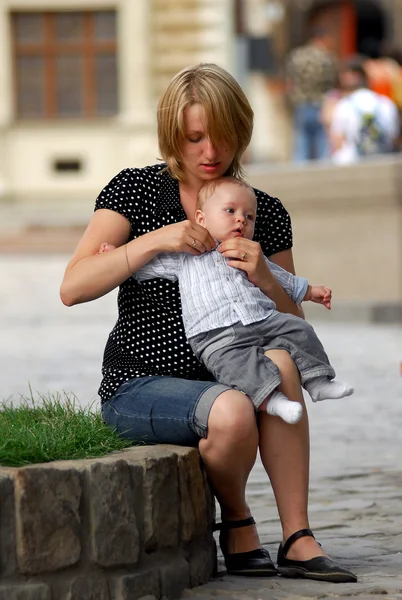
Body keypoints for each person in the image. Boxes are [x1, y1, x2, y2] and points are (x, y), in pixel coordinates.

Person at [60, 63, 357, 583]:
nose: (209, 152)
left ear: (241, 131)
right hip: (142, 385)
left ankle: (297, 535)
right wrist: (156, 241)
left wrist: (265, 275)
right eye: (194, 138)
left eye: (221, 136)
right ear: (173, 137)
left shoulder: (259, 209)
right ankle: (238, 520)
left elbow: (290, 318)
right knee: (235, 410)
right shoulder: (134, 192)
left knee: (283, 359)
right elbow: (73, 287)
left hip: (232, 373)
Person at [98, 177, 354, 427]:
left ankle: (318, 382)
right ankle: (272, 401)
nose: (241, 219)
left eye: (249, 216)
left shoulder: (250, 251)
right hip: (215, 334)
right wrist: (116, 254)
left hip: (260, 319)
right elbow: (146, 265)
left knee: (300, 330)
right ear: (201, 219)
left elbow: (284, 279)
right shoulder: (186, 255)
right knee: (237, 366)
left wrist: (310, 291)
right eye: (230, 211)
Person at [331, 60, 399, 164]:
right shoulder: (386, 103)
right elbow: (394, 137)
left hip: (352, 161)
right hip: (385, 157)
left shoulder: (344, 105)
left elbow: (337, 140)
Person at [285, 27, 338, 161]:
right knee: (322, 140)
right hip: (321, 102)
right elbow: (333, 81)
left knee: (302, 140)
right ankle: (322, 169)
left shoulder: (297, 55)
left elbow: (289, 81)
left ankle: (300, 171)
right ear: (322, 38)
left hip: (301, 102)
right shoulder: (327, 58)